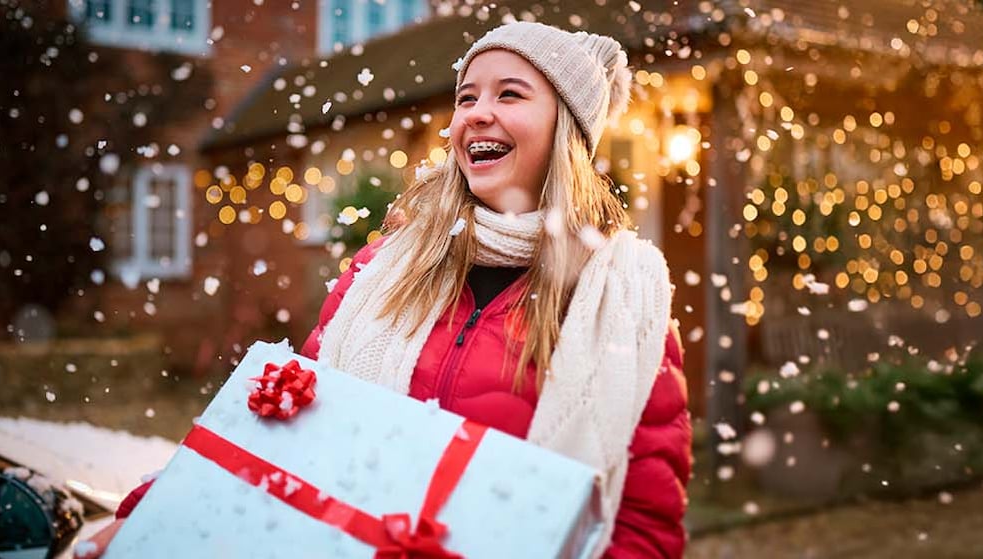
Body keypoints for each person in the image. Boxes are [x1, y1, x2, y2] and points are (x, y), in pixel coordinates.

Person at [79, 21, 690, 558]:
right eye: (466, 96)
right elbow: (287, 430)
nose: (477, 111)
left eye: (511, 94)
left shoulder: (623, 302)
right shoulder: (387, 268)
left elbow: (642, 524)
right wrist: (147, 519)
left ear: (567, 131)